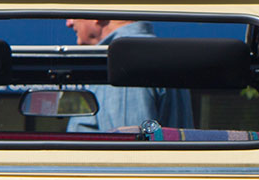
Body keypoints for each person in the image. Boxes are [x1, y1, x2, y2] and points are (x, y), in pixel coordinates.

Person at [64, 17, 192, 133]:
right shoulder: (159, 53)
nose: (68, 23)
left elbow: (128, 153)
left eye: (74, 12)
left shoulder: (124, 59)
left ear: (96, 13)